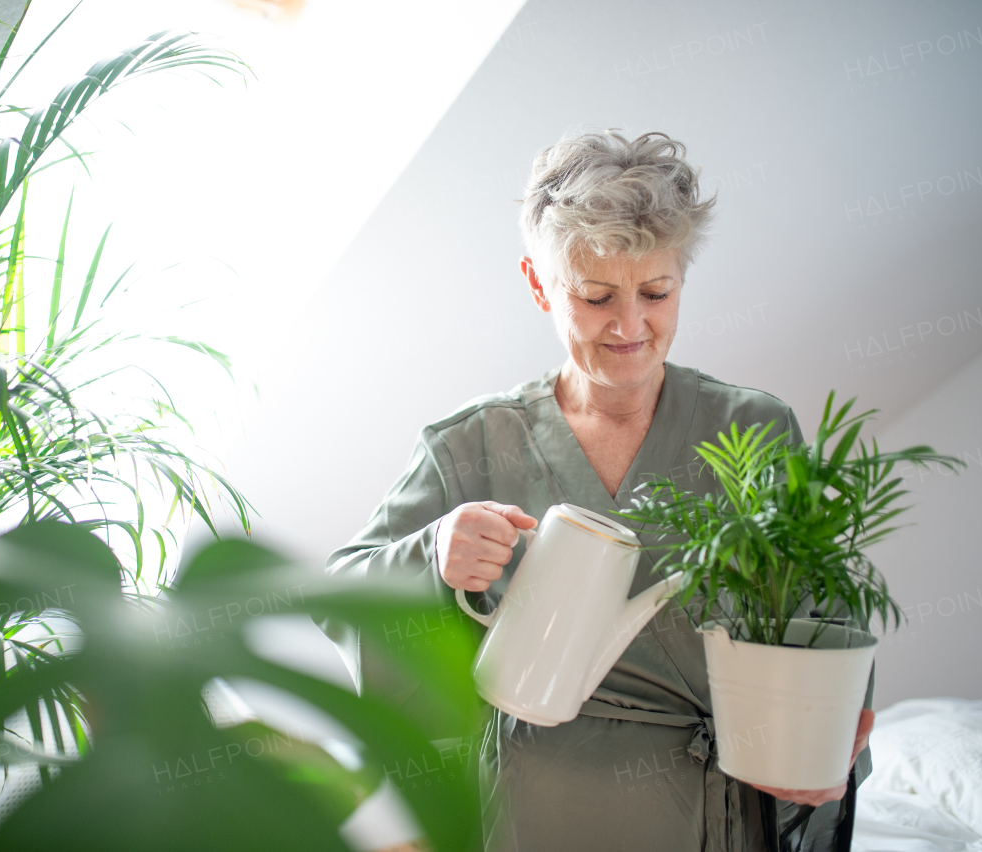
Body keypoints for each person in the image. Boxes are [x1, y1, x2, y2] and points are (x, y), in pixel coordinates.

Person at [325, 130, 875, 852]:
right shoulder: (470, 445)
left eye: (656, 291)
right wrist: (432, 553)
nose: (630, 325)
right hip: (533, 815)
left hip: (712, 814)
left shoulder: (756, 427)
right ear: (536, 282)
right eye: (594, 296)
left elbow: (825, 608)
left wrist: (828, 741)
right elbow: (341, 596)